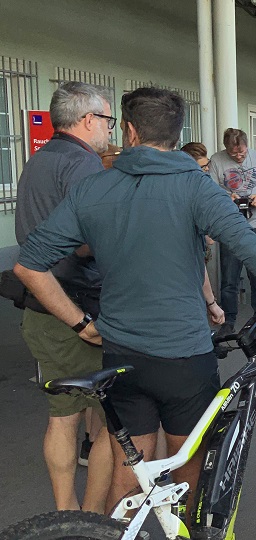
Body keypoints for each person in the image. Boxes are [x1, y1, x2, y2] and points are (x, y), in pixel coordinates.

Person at [14, 87, 256, 511]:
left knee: (128, 482)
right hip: (184, 357)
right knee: (188, 476)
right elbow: (254, 252)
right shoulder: (196, 188)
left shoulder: (95, 187)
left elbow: (29, 265)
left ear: (128, 130)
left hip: (121, 353)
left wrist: (79, 323)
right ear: (177, 132)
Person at [13, 81, 113, 513]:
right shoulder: (83, 164)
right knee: (113, 421)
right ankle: (91, 519)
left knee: (62, 412)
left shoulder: (38, 159)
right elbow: (88, 243)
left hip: (40, 306)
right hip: (78, 304)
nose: (109, 130)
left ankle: (65, 512)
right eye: (107, 120)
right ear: (89, 120)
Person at [208, 128, 256, 335]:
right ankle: (228, 320)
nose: (238, 156)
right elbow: (209, 191)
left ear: (248, 146)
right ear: (225, 148)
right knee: (229, 276)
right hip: (230, 224)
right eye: (233, 153)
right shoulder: (216, 160)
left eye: (242, 152)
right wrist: (226, 197)